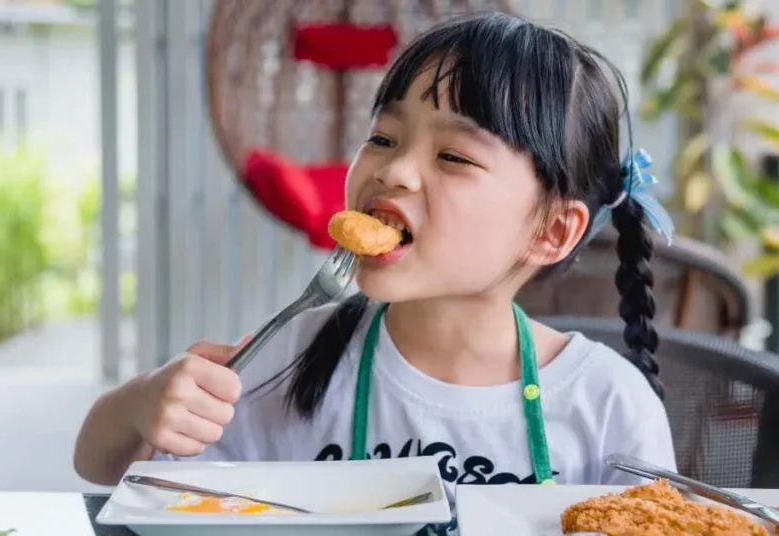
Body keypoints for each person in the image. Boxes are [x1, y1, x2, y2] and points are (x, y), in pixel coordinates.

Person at [74, 10, 677, 520]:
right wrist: (140, 405)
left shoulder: (607, 404)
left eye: (452, 155)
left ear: (552, 231)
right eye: (384, 138)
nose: (392, 171)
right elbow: (109, 476)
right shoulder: (293, 356)